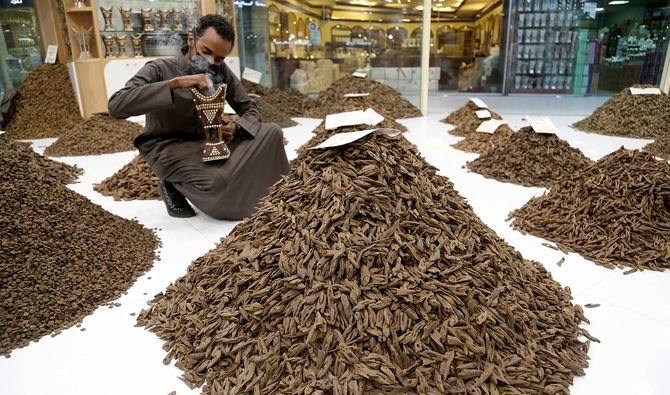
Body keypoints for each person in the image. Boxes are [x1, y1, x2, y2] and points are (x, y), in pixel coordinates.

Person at [108, 14, 290, 220]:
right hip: (171, 148)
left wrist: (236, 128)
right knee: (218, 182)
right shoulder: (159, 69)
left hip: (210, 143)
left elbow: (251, 110)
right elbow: (116, 105)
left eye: (219, 58)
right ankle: (172, 185)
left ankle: (270, 193)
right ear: (191, 40)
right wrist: (176, 83)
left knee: (271, 132)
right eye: (206, 52)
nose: (211, 62)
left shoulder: (219, 68)